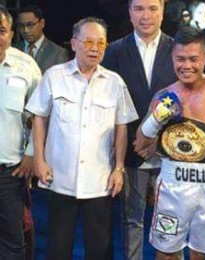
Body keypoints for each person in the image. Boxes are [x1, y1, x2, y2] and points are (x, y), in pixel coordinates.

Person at [133, 0, 205, 258]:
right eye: (180, 59)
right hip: (173, 186)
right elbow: (140, 143)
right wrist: (156, 119)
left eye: (193, 59)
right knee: (165, 253)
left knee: (200, 254)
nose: (186, 65)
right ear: (172, 58)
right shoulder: (164, 95)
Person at [26, 17, 138, 260]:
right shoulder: (55, 76)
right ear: (74, 43)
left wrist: (119, 168)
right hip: (59, 176)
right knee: (57, 246)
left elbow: (121, 127)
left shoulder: (115, 83)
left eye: (101, 42)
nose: (95, 48)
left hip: (100, 180)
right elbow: (39, 118)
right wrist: (39, 159)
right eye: (88, 41)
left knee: (100, 248)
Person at [101, 0, 178, 259]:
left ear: (163, 12)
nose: (146, 15)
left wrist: (157, 141)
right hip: (131, 152)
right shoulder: (113, 51)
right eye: (139, 9)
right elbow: (109, 103)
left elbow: (187, 98)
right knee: (132, 220)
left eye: (152, 8)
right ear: (130, 13)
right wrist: (139, 142)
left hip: (171, 152)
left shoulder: (178, 48)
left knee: (172, 219)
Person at [0, 5, 41, 260]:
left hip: (10, 173)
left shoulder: (26, 65)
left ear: (10, 33)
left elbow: (41, 115)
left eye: (1, 30)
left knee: (14, 243)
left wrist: (32, 153)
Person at [15, 4, 69, 74]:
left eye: (30, 24)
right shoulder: (13, 50)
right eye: (21, 26)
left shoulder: (58, 53)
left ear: (42, 23)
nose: (26, 30)